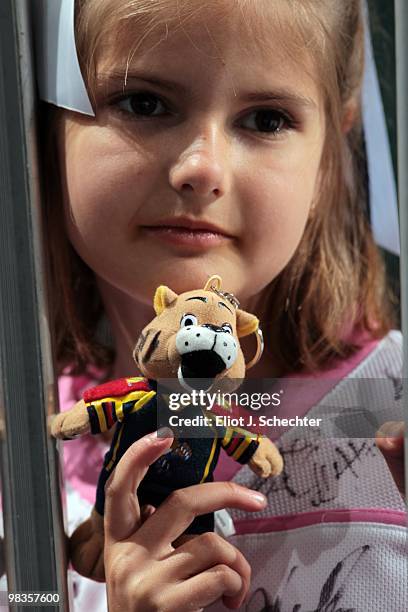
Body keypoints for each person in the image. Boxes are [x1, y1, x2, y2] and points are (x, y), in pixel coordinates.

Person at [38, 0, 406, 609]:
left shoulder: (393, 409)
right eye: (144, 103)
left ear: (327, 156)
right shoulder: (29, 452)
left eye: (265, 118)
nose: (203, 168)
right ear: (47, 127)